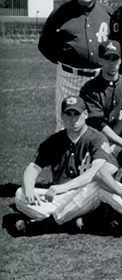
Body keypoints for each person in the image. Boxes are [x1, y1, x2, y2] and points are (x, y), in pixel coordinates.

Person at [13, 96, 110, 235]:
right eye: (68, 114)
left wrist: (64, 187)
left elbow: (95, 171)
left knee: (97, 186)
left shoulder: (97, 138)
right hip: (60, 198)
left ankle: (48, 223)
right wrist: (28, 189)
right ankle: (70, 220)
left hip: (84, 195)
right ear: (62, 116)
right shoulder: (55, 140)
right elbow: (32, 168)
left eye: (77, 114)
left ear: (86, 114)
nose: (73, 119)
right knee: (19, 194)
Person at [39, 0, 112, 131]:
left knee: (99, 123)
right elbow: (44, 44)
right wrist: (66, 57)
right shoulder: (61, 13)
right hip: (70, 76)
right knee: (67, 123)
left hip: (99, 77)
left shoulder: (107, 12)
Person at [80, 40, 122, 150]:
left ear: (120, 60)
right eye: (107, 58)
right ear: (100, 61)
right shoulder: (90, 89)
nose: (111, 63)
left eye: (115, 58)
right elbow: (97, 123)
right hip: (99, 144)